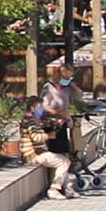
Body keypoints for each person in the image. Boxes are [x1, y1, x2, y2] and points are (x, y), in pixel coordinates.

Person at [29, 63, 80, 198]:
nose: (67, 80)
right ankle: (56, 188)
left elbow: (79, 95)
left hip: (62, 125)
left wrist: (73, 85)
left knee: (66, 155)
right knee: (60, 156)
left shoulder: (66, 87)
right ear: (58, 75)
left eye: (70, 78)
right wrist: (61, 114)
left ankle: (67, 187)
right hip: (52, 126)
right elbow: (44, 108)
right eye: (65, 77)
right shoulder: (49, 88)